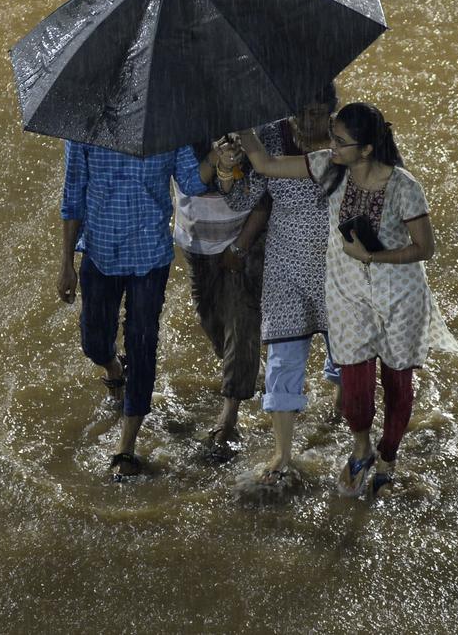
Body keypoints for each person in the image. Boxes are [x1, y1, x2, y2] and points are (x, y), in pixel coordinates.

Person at [235, 100, 458, 498]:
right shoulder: (328, 167)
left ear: (367, 149)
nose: (330, 144)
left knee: (397, 385)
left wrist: (373, 256)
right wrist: (241, 123)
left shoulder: (404, 187)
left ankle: (388, 458)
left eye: (340, 141)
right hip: (348, 296)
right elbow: (266, 164)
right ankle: (362, 446)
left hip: (399, 297)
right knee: (356, 388)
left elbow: (425, 248)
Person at [57, 141, 216, 480]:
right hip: (100, 254)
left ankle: (126, 446)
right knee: (94, 343)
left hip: (150, 257)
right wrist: (66, 264)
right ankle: (114, 369)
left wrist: (217, 158)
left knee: (143, 342)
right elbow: (73, 197)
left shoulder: (166, 128)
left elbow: (191, 182)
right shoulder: (85, 131)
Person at [216, 84, 341, 488]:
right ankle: (283, 452)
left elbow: (383, 182)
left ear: (332, 114)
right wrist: (226, 167)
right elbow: (240, 200)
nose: (309, 121)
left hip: (342, 266)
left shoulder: (349, 139)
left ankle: (342, 405)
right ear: (288, 111)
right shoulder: (268, 134)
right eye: (301, 111)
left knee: (348, 352)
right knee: (284, 357)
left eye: (319, 113)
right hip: (285, 263)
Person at [173, 153, 270, 462]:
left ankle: (229, 414)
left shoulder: (250, 126)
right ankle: (242, 366)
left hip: (244, 238)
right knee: (211, 320)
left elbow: (268, 192)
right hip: (197, 240)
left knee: (242, 319)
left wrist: (242, 244)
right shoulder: (172, 127)